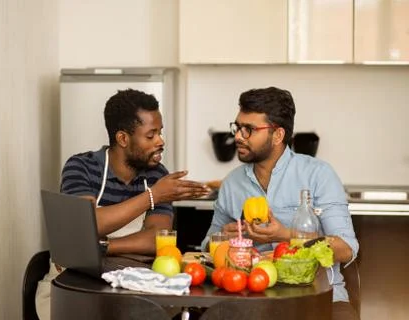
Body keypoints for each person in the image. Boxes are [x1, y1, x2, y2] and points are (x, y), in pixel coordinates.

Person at [36, 88, 210, 320]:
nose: (161, 141)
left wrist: (99, 248)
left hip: (131, 284)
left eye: (160, 132)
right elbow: (88, 225)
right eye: (151, 135)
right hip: (73, 285)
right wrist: (153, 197)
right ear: (123, 139)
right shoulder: (81, 167)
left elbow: (156, 240)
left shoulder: (158, 175)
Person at [202, 87, 360, 320]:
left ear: (277, 135)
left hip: (318, 300)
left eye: (249, 129)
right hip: (249, 301)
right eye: (237, 127)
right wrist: (224, 239)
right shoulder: (232, 183)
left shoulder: (318, 175)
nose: (238, 136)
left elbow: (346, 249)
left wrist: (285, 235)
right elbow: (207, 246)